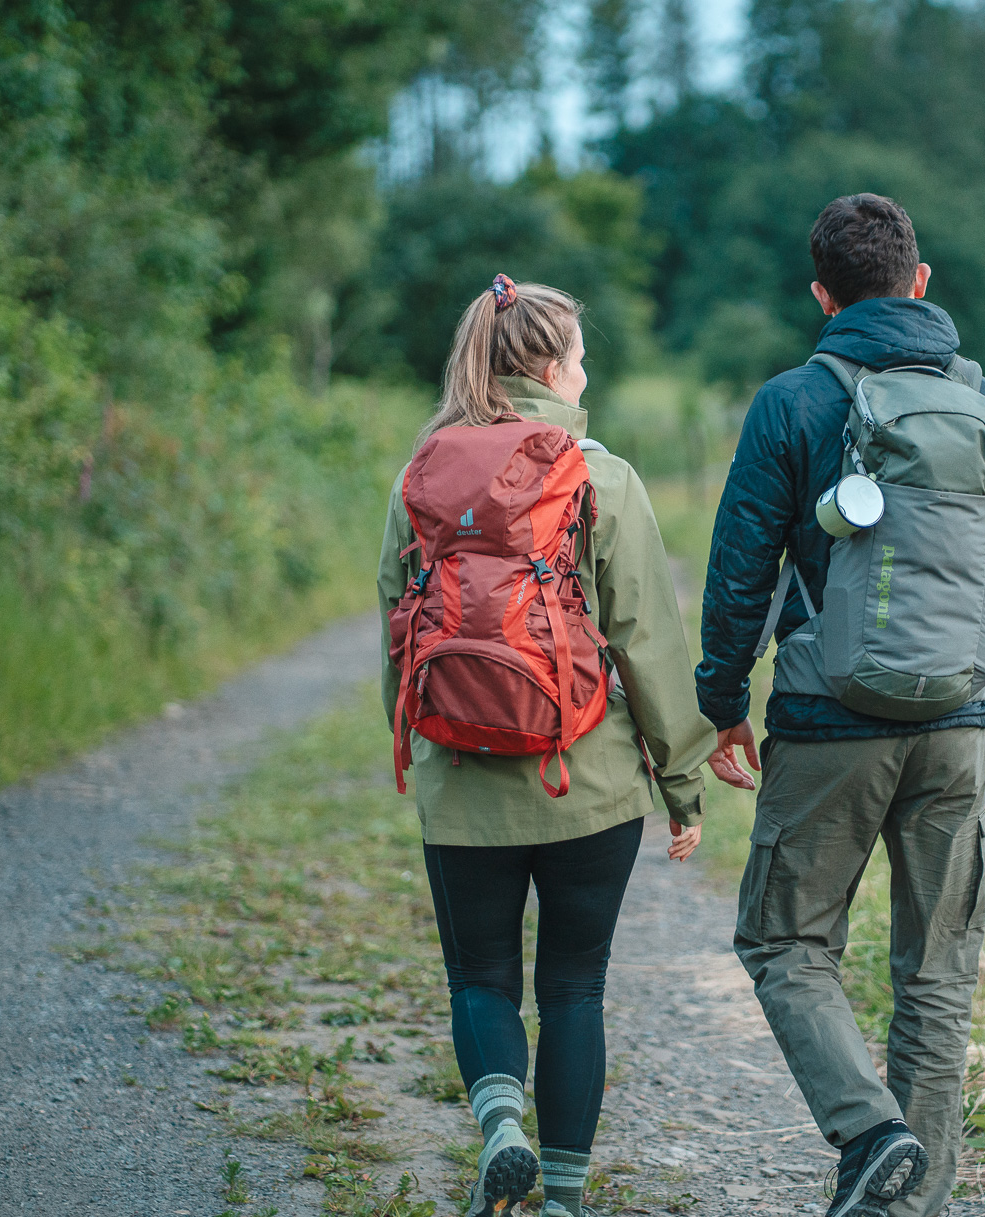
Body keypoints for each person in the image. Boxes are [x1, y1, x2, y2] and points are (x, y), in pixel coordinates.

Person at [695, 196, 985, 1217]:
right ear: (921, 279)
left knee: (786, 943)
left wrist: (720, 698)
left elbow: (740, 569)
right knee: (936, 970)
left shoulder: (791, 401)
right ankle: (904, 1199)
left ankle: (871, 1134)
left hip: (827, 720)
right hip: (955, 728)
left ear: (821, 296)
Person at [381, 275, 745, 1217]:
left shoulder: (422, 473)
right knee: (575, 989)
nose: (586, 374)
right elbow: (649, 642)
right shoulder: (603, 477)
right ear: (549, 365)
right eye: (580, 357)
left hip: (461, 779)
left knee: (480, 977)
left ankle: (501, 1124)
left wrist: (419, 758)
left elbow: (399, 624)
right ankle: (566, 1201)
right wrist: (681, 783)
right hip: (587, 784)